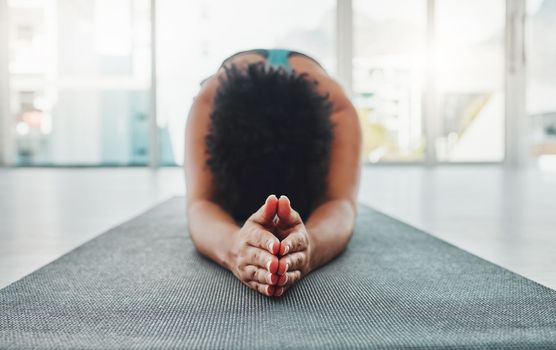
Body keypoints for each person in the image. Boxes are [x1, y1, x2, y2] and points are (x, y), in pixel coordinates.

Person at [184, 49, 361, 297]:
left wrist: (309, 249)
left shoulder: (337, 106)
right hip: (232, 91)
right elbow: (202, 202)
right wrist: (235, 249)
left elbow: (340, 202)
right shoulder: (208, 100)